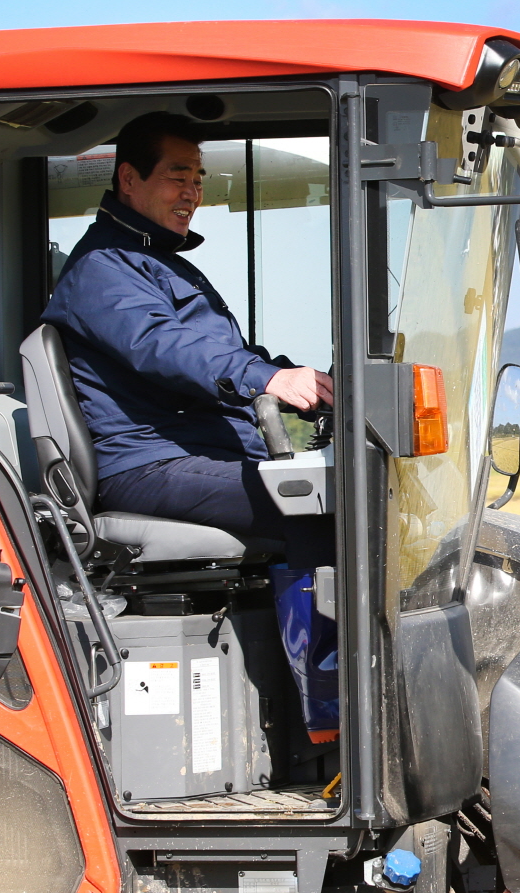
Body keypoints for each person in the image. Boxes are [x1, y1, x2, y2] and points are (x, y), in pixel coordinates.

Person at [41, 112, 339, 740]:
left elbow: (223, 355)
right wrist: (266, 380)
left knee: (341, 496)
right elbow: (166, 348)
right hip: (147, 464)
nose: (193, 192)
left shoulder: (160, 262)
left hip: (195, 455)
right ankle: (333, 714)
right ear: (129, 178)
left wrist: (307, 383)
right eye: (178, 176)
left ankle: (325, 701)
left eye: (198, 178)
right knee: (317, 510)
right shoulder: (103, 269)